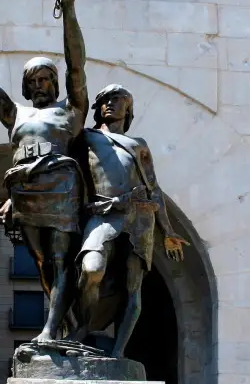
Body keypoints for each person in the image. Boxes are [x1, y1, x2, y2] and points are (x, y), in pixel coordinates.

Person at [0, 0, 87, 344]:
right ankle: (62, 320)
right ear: (26, 86)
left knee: (61, 260)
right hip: (26, 191)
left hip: (61, 187)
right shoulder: (15, 114)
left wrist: (69, 12)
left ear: (55, 83)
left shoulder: (72, 111)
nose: (42, 84)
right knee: (44, 263)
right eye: (35, 80)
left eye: (48, 78)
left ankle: (49, 330)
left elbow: (77, 65)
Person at [73, 84, 189, 358]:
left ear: (128, 108)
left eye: (117, 99)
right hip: (104, 213)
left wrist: (168, 231)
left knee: (132, 287)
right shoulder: (86, 138)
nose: (109, 104)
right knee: (91, 269)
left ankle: (118, 351)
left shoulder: (139, 145)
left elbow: (154, 188)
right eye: (104, 100)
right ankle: (83, 328)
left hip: (140, 216)